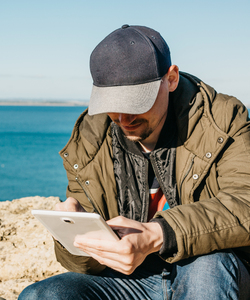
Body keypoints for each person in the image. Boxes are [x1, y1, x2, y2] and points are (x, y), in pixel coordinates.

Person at [19, 25, 250, 299]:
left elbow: (245, 202)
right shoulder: (91, 138)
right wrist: (72, 238)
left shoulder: (223, 119)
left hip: (210, 266)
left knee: (208, 269)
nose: (123, 118)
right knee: (42, 295)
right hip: (132, 279)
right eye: (112, 103)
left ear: (171, 79)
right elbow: (85, 265)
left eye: (136, 102)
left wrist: (159, 233)